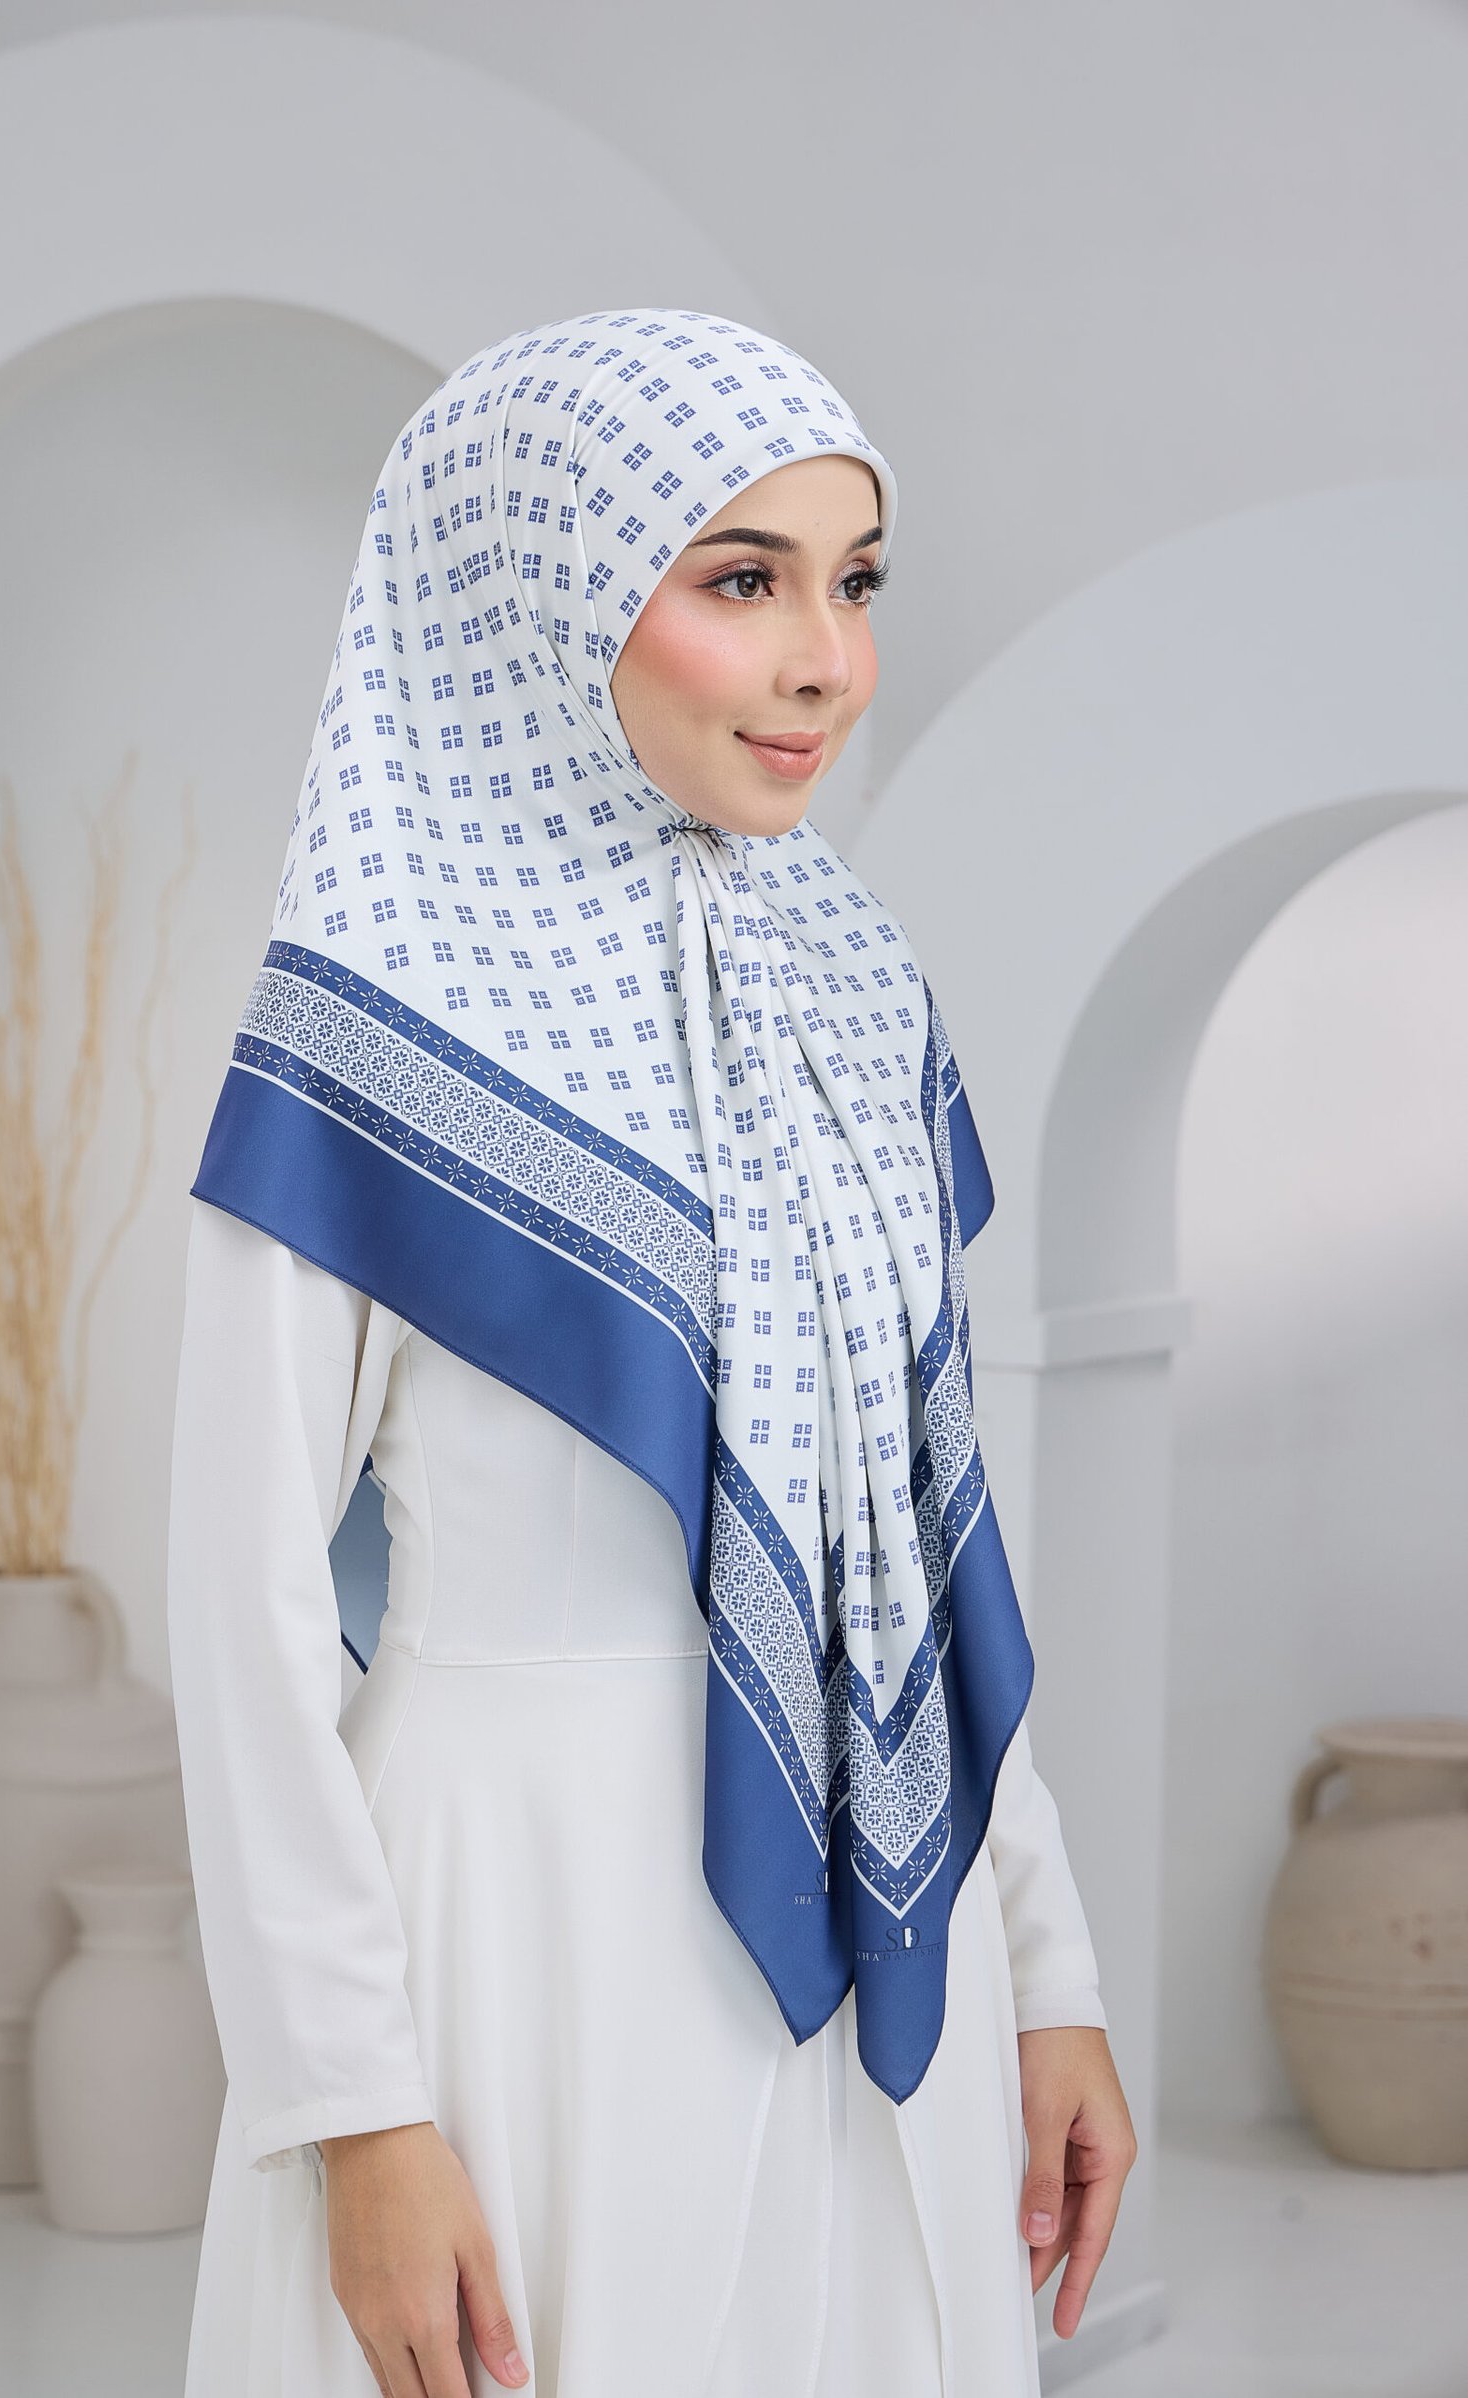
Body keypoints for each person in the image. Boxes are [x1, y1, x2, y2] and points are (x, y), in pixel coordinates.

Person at [167, 304, 1137, 2398]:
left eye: (854, 582)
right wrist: (351, 2109)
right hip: (512, 1957)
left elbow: (908, 1544)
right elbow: (241, 1616)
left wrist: (1045, 1964)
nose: (827, 660)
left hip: (895, 1966)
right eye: (742, 580)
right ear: (543, 589)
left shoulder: (854, 990)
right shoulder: (364, 1028)